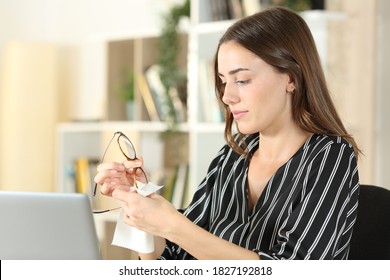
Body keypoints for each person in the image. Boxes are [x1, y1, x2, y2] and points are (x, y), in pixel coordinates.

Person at [94, 7, 360, 260]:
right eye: (223, 82)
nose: (227, 96)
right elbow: (175, 258)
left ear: (290, 78)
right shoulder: (232, 154)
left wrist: (174, 225)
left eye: (242, 80)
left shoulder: (331, 157)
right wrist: (142, 205)